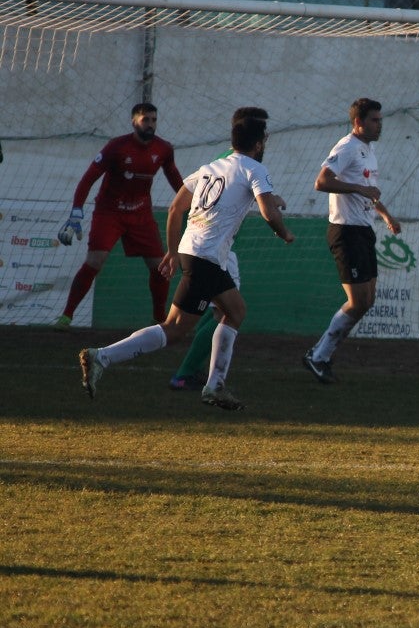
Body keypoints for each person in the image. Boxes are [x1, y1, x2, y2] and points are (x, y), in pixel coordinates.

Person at [77, 113, 293, 410]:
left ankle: (215, 386)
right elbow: (268, 212)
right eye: (264, 139)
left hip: (197, 252)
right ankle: (102, 356)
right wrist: (285, 233)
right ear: (258, 143)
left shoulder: (210, 168)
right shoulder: (255, 168)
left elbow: (176, 208)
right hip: (206, 257)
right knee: (174, 328)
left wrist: (173, 250)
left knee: (235, 310)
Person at [167, 108, 280, 391]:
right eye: (262, 134)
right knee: (221, 314)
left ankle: (199, 375)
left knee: (220, 312)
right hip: (217, 253)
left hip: (211, 249)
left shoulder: (224, 162)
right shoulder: (241, 164)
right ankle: (189, 374)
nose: (264, 141)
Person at [54, 103, 184, 329]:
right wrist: (77, 211)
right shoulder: (116, 147)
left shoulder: (163, 149)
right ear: (134, 122)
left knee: (159, 267)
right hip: (109, 213)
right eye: (146, 120)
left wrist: (191, 202)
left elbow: (174, 178)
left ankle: (158, 318)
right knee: (95, 261)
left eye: (154, 120)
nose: (151, 124)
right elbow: (88, 178)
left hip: (141, 214)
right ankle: (66, 315)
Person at [302, 98, 402, 384]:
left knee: (367, 300)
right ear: (358, 122)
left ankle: (320, 355)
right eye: (374, 120)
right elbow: (321, 182)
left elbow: (369, 192)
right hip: (345, 231)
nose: (379, 124)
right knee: (357, 301)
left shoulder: (369, 151)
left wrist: (386, 215)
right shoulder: (346, 147)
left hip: (364, 230)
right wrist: (356, 187)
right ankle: (318, 356)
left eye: (380, 119)